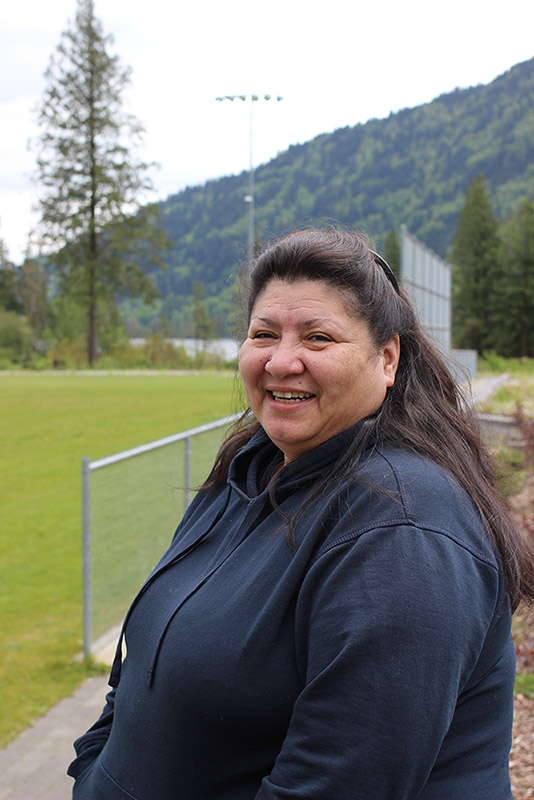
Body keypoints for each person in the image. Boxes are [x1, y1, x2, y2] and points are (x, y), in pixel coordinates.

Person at [68, 228, 534, 800]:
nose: (282, 361)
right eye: (264, 334)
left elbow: (336, 782)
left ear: (386, 359)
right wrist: (95, 770)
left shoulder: (404, 527)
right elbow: (140, 666)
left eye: (318, 338)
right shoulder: (248, 468)